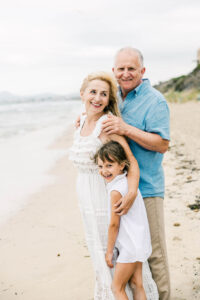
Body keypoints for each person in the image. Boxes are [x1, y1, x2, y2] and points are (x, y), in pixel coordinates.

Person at [69, 71, 158, 299]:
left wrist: (130, 194)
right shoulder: (80, 122)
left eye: (104, 94)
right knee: (101, 259)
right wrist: (81, 116)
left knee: (113, 260)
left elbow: (131, 162)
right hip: (87, 204)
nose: (97, 98)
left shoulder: (106, 126)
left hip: (106, 203)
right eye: (93, 92)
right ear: (82, 95)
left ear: (109, 100)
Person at [102, 47, 171, 300]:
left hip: (147, 188)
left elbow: (162, 144)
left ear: (142, 70)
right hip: (118, 189)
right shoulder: (114, 98)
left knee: (153, 253)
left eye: (132, 68)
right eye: (121, 68)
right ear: (114, 71)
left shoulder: (155, 101)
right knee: (126, 252)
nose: (126, 73)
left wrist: (126, 128)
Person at [94, 140, 152, 300]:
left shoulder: (115, 191)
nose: (104, 171)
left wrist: (109, 250)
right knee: (136, 283)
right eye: (100, 166)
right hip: (139, 241)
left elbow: (114, 224)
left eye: (109, 165)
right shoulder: (128, 183)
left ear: (122, 165)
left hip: (129, 246)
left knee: (117, 288)